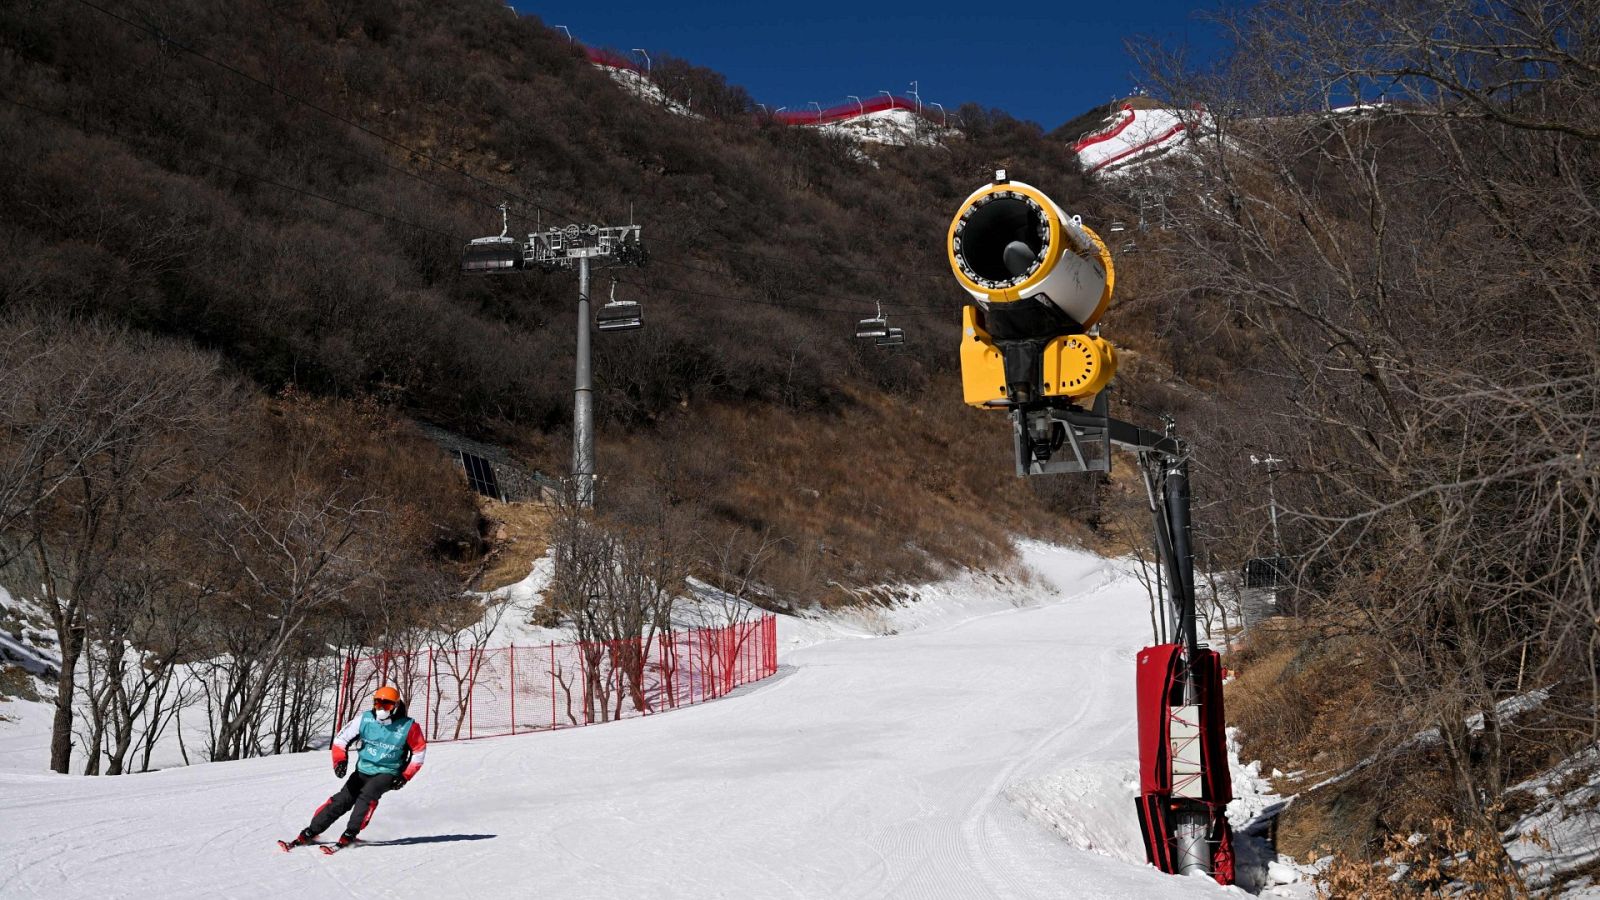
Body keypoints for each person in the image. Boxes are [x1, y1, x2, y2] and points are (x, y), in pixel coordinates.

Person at [280, 685, 426, 850]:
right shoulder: (365, 719)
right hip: (363, 769)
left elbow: (419, 753)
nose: (381, 709)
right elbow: (340, 740)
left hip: (388, 771)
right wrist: (340, 760)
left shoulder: (409, 726)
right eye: (378, 704)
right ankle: (311, 831)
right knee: (342, 799)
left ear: (396, 706)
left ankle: (350, 833)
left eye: (387, 705)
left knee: (367, 795)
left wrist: (405, 776)